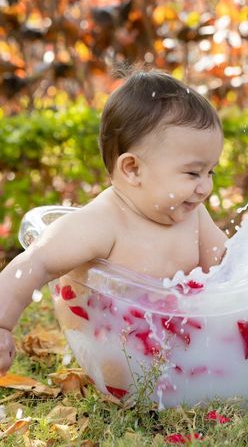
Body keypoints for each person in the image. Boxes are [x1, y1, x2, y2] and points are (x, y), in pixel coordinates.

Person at [0, 68, 228, 374]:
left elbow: (229, 266)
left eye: (210, 172)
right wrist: (2, 324)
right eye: (192, 173)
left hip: (183, 356)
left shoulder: (194, 216)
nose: (205, 187)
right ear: (133, 169)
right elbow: (34, 263)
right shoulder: (102, 222)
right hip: (122, 360)